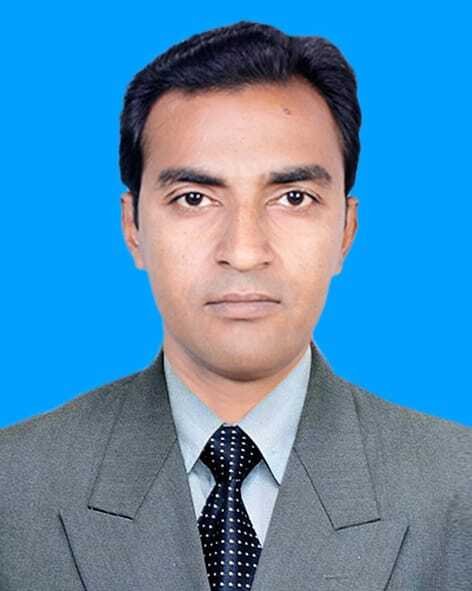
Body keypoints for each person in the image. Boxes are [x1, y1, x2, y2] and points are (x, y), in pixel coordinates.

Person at [1, 20, 471, 591]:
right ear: (133, 228)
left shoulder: (458, 488)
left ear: (345, 232)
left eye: (293, 197)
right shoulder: (13, 484)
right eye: (194, 198)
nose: (244, 252)